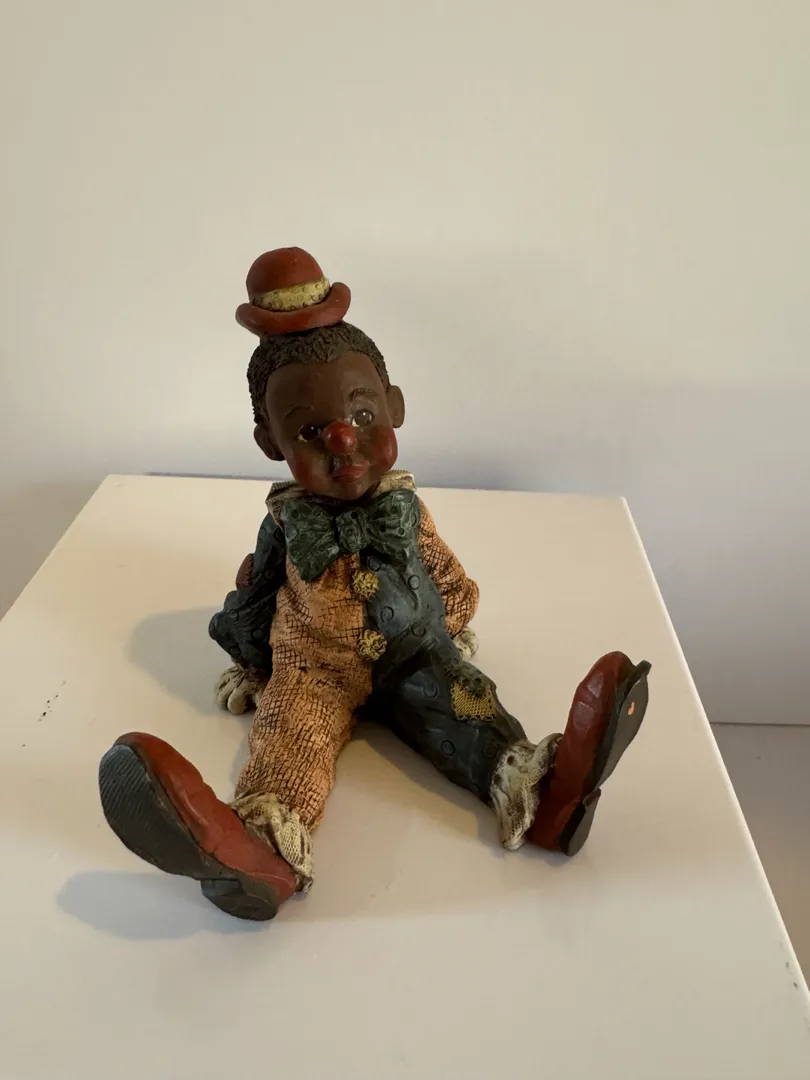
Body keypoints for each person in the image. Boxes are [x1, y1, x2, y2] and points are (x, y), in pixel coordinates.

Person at [98, 247, 650, 921]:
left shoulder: (405, 508)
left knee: (468, 706)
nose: (342, 440)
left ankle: (548, 793)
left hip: (416, 651)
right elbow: (260, 591)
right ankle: (256, 852)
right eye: (308, 431)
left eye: (363, 416)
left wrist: (452, 623)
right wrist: (252, 658)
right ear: (270, 443)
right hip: (316, 667)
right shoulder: (288, 524)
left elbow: (441, 569)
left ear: (394, 406)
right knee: (291, 739)